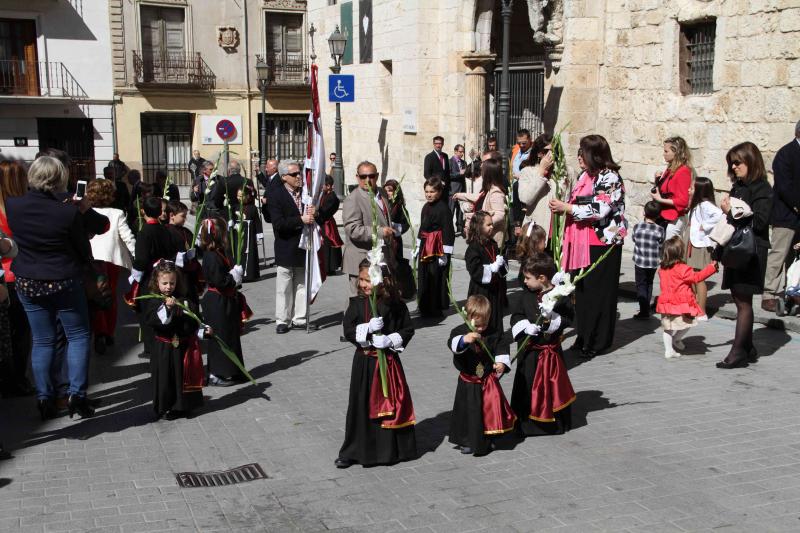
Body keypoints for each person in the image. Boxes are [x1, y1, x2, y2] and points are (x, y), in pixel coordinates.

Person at [5, 156, 98, 420]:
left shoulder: (14, 205)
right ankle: (76, 395)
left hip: (28, 279)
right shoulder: (67, 211)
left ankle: (45, 397)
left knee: (43, 340)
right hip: (64, 279)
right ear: (60, 178)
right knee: (78, 336)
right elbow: (82, 248)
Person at [549, 134, 627, 358]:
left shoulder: (609, 177)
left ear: (595, 155)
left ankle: (597, 341)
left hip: (603, 243)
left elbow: (600, 210)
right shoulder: (585, 175)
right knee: (582, 293)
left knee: (599, 294)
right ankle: (583, 336)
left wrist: (567, 208)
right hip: (582, 243)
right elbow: (575, 201)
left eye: (583, 152)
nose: (579, 157)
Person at [336, 260, 416, 468]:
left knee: (392, 403)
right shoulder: (356, 304)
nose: (364, 284)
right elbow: (348, 330)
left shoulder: (395, 305)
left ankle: (390, 450)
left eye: (368, 280)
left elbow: (408, 329)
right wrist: (367, 331)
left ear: (382, 281)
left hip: (388, 363)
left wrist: (389, 340)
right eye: (361, 280)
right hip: (365, 363)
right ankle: (354, 449)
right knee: (360, 404)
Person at [717, 142, 773, 369]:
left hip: (751, 251)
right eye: (732, 162)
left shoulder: (762, 189)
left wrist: (733, 211)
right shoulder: (739, 187)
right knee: (739, 297)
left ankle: (738, 351)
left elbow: (760, 221)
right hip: (735, 249)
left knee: (743, 300)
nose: (734, 166)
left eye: (738, 162)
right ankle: (747, 346)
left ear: (751, 161)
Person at [510, 253, 575, 435]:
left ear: (542, 278)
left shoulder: (560, 295)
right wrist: (524, 326)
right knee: (528, 385)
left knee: (551, 387)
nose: (524, 281)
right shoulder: (526, 295)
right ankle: (525, 422)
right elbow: (516, 316)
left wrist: (550, 320)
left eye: (528, 278)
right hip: (530, 352)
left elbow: (569, 319)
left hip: (550, 353)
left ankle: (552, 424)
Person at [447, 294, 515, 455]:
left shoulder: (493, 332)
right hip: (468, 380)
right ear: (467, 317)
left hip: (487, 380)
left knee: (487, 411)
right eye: (477, 325)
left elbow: (502, 346)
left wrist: (501, 362)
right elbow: (453, 344)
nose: (480, 329)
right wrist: (465, 339)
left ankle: (488, 437)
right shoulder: (460, 331)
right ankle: (467, 440)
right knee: (468, 411)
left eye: (484, 325)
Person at [142, 260, 207, 419]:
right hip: (164, 348)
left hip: (181, 346)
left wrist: (203, 329)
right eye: (164, 283)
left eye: (172, 282)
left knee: (181, 376)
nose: (168, 286)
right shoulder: (154, 300)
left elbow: (193, 318)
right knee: (166, 378)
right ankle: (168, 406)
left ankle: (183, 405)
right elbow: (153, 320)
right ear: (157, 282)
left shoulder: (182, 299)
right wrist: (167, 308)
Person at [128, 197, 182, 358]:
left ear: (143, 211)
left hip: (150, 278)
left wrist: (134, 276)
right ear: (160, 212)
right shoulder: (164, 229)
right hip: (164, 273)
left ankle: (151, 347)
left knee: (149, 311)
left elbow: (141, 259)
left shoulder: (144, 232)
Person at [86, 179, 136, 354]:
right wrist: (137, 256)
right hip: (110, 260)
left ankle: (99, 330)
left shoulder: (85, 212)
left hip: (90, 260)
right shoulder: (116, 213)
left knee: (94, 296)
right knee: (110, 297)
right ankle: (108, 332)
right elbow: (128, 237)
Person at [268, 160, 315, 333]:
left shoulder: (306, 193)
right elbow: (278, 224)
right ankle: (282, 320)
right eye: (294, 174)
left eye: (299, 172)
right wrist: (300, 220)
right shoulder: (276, 195)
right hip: (286, 246)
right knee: (284, 286)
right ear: (283, 177)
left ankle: (300, 318)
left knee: (302, 284)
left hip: (304, 245)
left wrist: (314, 212)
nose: (298, 176)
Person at [199, 218, 245, 386]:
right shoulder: (211, 256)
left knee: (230, 335)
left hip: (225, 299)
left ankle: (232, 370)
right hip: (216, 301)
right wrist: (233, 277)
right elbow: (219, 280)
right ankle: (216, 373)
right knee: (220, 337)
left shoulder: (220, 252)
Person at [0, 160, 33, 397]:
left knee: (7, 331)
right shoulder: (23, 208)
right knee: (21, 331)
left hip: (5, 276)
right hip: (21, 273)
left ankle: (8, 377)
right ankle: (17, 379)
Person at [656, 237, 718, 359]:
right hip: (680, 304)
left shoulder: (662, 269)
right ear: (680, 253)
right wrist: (711, 268)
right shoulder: (683, 269)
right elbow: (697, 277)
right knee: (689, 322)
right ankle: (676, 339)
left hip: (666, 303)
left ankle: (669, 350)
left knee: (667, 327)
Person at [762, 122, 800, 312]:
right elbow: (785, 187)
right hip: (786, 214)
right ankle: (770, 294)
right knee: (780, 253)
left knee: (795, 257)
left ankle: (793, 292)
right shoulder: (786, 153)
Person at [342, 161, 395, 297]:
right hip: (361, 259)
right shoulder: (353, 199)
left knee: (377, 301)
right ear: (357, 177)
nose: (367, 180)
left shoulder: (382, 193)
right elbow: (353, 230)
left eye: (371, 176)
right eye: (363, 176)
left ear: (377, 176)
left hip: (379, 257)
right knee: (358, 302)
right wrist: (380, 232)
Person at [416, 176, 455, 318]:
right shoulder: (426, 207)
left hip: (437, 249)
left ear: (439, 192)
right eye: (426, 191)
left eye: (432, 191)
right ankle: (424, 306)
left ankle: (435, 308)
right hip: (425, 247)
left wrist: (445, 253)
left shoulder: (444, 209)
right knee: (424, 276)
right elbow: (423, 226)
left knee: (435, 278)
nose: (428, 194)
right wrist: (418, 243)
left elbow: (448, 231)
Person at [464, 211, 508, 333]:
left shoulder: (492, 243)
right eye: (488, 225)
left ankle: (496, 339)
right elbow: (474, 270)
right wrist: (491, 268)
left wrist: (502, 263)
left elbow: (502, 268)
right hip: (481, 291)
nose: (492, 227)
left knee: (495, 316)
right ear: (479, 226)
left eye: (492, 224)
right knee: (481, 318)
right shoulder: (473, 248)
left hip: (494, 290)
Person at [686, 177, 723, 319]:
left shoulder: (705, 205)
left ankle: (701, 311)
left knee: (699, 278)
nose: (689, 190)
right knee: (693, 276)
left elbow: (719, 214)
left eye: (692, 188)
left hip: (700, 245)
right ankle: (696, 305)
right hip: (693, 243)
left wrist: (705, 226)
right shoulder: (697, 205)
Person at [454, 158, 508, 249]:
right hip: (485, 237)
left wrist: (482, 225)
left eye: (482, 171)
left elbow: (500, 214)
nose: (480, 173)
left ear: (488, 173)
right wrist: (460, 195)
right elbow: (478, 197)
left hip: (492, 239)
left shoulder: (496, 192)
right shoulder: (488, 189)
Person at [651, 136, 693, 239]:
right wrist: (657, 180)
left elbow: (683, 201)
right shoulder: (671, 169)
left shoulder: (683, 171)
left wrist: (660, 199)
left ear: (676, 152)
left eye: (666, 151)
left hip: (674, 219)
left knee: (668, 253)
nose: (663, 154)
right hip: (664, 216)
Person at [517, 133, 557, 239]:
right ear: (539, 153)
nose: (552, 155)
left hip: (558, 233)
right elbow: (526, 198)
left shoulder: (565, 173)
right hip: (536, 232)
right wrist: (541, 173)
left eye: (555, 151)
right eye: (548, 151)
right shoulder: (528, 172)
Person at [632, 201, 666, 320]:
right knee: (649, 283)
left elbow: (634, 238)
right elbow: (661, 244)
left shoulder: (637, 227)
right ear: (658, 216)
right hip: (653, 262)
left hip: (640, 261)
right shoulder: (660, 230)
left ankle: (644, 310)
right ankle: (645, 308)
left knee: (641, 285)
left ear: (644, 213)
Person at [383, 179, 413, 299]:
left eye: (390, 191)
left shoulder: (399, 207)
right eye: (386, 191)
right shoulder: (381, 203)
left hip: (395, 242)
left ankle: (396, 291)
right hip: (383, 240)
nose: (388, 193)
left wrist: (396, 228)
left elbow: (406, 223)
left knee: (395, 266)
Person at [319, 175, 343, 275]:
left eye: (323, 185)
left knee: (328, 244)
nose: (321, 187)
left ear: (328, 186)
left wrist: (317, 213)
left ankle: (329, 268)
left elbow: (325, 211)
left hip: (327, 223)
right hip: (324, 222)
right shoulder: (324, 195)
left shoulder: (332, 198)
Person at [449, 144, 467, 233]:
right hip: (452, 191)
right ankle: (449, 229)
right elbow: (448, 176)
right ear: (455, 151)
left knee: (460, 211)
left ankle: (459, 229)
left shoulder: (464, 163)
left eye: (462, 152)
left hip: (462, 191)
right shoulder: (450, 162)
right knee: (451, 211)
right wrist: (459, 173)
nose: (461, 154)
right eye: (460, 152)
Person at [258, 159, 281, 223]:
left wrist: (267, 200)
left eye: (267, 167)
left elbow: (279, 197)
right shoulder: (271, 177)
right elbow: (266, 185)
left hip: (275, 213)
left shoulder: (278, 180)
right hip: (269, 213)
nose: (266, 169)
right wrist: (259, 173)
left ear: (274, 169)